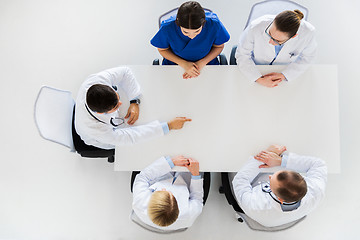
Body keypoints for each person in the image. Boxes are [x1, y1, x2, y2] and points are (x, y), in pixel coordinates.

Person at [74, 66, 191, 149]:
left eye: (117, 97)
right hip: (98, 139)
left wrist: (134, 101)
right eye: (115, 107)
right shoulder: (95, 129)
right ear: (101, 113)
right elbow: (129, 137)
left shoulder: (96, 81)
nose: (120, 104)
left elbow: (125, 72)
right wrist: (168, 126)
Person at [232, 144, 327, 227]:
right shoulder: (316, 191)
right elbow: (319, 164)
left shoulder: (255, 205)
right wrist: (281, 161)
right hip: (287, 217)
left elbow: (240, 179)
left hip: (266, 218)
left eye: (271, 181)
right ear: (300, 177)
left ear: (280, 199)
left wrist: (265, 156)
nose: (270, 176)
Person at [235, 10, 317, 87]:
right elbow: (242, 55)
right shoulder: (256, 26)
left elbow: (308, 58)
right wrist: (258, 79)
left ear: (293, 37)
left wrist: (284, 75)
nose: (270, 42)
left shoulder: (308, 32)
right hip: (256, 67)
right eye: (269, 33)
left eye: (277, 40)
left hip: (284, 70)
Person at [151, 1, 230, 79]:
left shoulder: (213, 24)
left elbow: (219, 46)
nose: (192, 36)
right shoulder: (168, 27)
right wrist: (184, 64)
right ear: (177, 23)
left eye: (197, 31)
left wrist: (201, 63)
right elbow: (162, 50)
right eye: (186, 32)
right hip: (175, 67)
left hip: (207, 66)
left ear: (203, 23)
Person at [132, 155, 203, 230]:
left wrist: (170, 163)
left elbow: (143, 177)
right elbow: (197, 199)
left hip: (157, 177)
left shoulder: (139, 201)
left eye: (159, 191)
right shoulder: (188, 215)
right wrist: (195, 174)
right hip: (185, 183)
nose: (163, 188)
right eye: (170, 193)